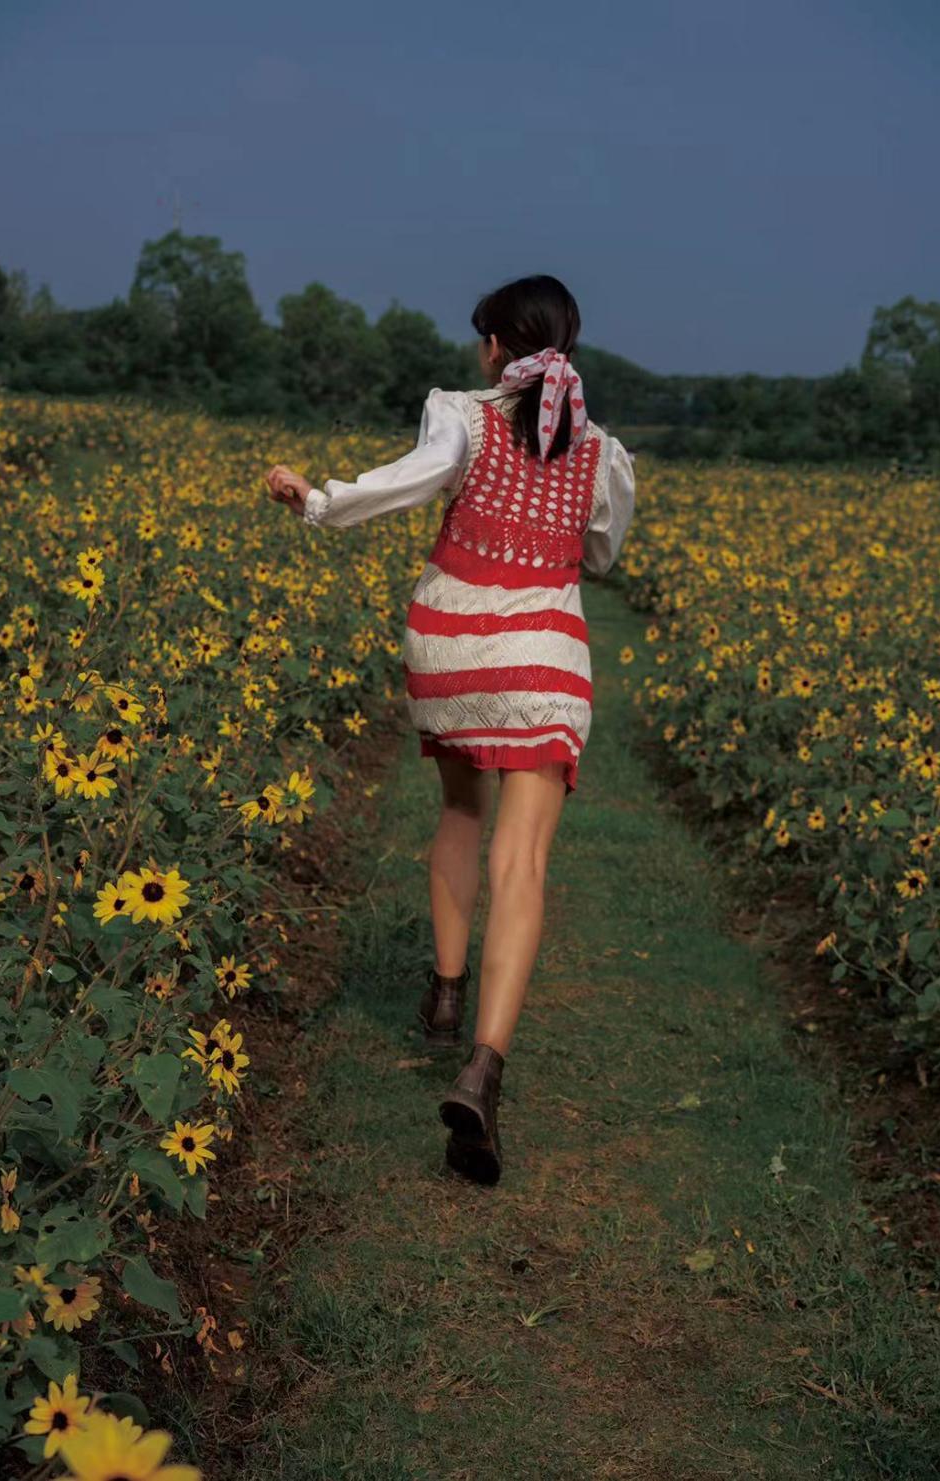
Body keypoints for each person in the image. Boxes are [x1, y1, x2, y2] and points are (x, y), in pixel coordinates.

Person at [265, 274, 636, 1187]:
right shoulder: (602, 451)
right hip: (541, 654)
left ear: (498, 347)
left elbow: (410, 484)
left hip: (451, 643)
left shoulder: (460, 416)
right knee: (525, 859)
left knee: (461, 813)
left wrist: (318, 501)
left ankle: (442, 991)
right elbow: (600, 552)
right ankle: (483, 1067)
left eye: (483, 340)